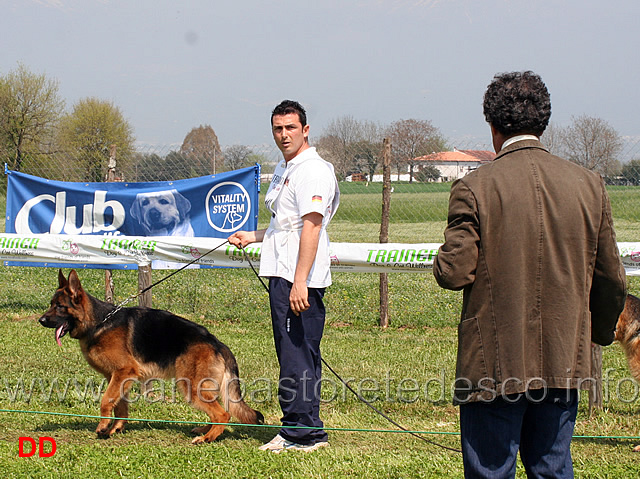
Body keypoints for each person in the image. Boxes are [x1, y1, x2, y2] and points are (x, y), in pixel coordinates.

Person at [433, 71, 626, 478]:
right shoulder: (589, 186)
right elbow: (612, 280)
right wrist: (595, 334)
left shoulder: (474, 187)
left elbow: (454, 272)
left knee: (490, 470)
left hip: (493, 363)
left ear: (492, 126)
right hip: (565, 358)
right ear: (543, 122)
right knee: (552, 467)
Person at [228, 100, 339, 453]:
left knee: (296, 357)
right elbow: (285, 224)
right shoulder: (285, 166)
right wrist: (255, 236)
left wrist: (300, 280)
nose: (284, 134)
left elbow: (312, 225)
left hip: (297, 279)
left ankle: (301, 433)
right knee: (294, 355)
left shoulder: (313, 170)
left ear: (305, 130)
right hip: (281, 274)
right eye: (278, 128)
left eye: (290, 128)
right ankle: (303, 427)